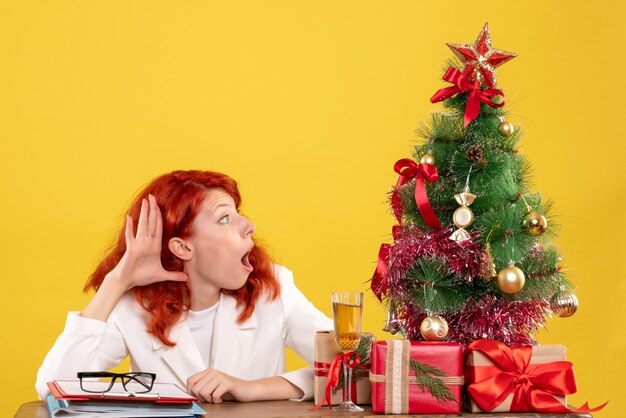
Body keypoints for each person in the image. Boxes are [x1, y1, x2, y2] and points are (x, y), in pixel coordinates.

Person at [36, 170, 333, 403]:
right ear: (182, 248)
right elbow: (55, 386)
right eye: (225, 218)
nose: (248, 225)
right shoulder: (134, 308)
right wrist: (118, 279)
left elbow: (354, 367)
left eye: (238, 212)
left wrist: (252, 389)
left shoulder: (273, 289)